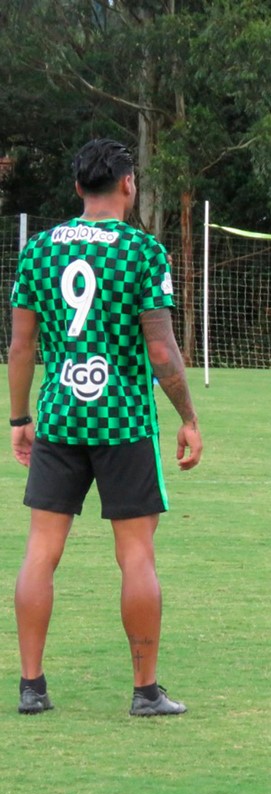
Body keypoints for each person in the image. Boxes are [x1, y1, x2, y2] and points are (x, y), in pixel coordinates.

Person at [7, 138, 203, 717]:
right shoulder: (143, 252)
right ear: (127, 184)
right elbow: (161, 349)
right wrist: (188, 418)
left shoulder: (39, 250)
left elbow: (21, 346)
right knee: (136, 555)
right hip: (123, 422)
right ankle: (145, 692)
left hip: (60, 417)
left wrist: (20, 418)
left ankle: (31, 687)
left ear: (77, 188)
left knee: (40, 552)